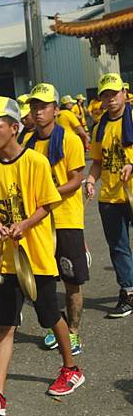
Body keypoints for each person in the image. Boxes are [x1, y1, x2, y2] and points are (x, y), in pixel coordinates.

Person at [0, 96, 84, 416]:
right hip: (5, 258)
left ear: (14, 127)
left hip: (36, 255)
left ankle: (71, 367)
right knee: (5, 324)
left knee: (49, 316)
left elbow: (47, 204)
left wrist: (24, 224)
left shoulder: (35, 162)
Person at [26, 83, 88, 355]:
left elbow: (75, 181)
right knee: (43, 279)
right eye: (34, 106)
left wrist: (45, 195)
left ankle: (73, 332)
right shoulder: (27, 143)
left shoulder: (69, 139)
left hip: (66, 219)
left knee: (71, 279)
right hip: (38, 223)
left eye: (43, 106)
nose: (38, 112)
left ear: (54, 109)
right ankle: (56, 327)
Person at [86, 73, 133, 318]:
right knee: (118, 247)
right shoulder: (99, 127)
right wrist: (91, 180)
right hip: (110, 197)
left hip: (132, 193)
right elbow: (96, 162)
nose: (111, 99)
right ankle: (128, 290)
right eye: (106, 95)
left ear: (124, 93)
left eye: (114, 93)